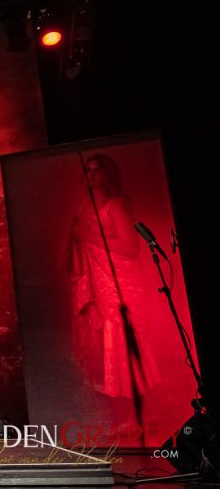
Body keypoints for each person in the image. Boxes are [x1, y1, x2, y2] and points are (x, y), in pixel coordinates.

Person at [70, 153, 158, 417]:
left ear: (108, 174)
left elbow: (131, 249)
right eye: (88, 170)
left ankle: (138, 410)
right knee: (102, 346)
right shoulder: (85, 207)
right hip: (97, 285)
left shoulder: (117, 205)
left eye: (97, 170)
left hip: (120, 286)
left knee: (122, 342)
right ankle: (116, 410)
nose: (91, 175)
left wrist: (90, 235)